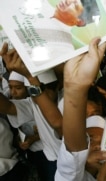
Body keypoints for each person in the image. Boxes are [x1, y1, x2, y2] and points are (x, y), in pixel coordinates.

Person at [55, 37, 106, 181]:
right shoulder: (71, 175)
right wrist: (76, 88)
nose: (97, 146)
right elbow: (73, 156)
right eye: (90, 139)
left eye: (105, 139)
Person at [0, 43, 63, 181]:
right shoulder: (33, 102)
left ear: (58, 85)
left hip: (72, 164)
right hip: (49, 160)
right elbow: (8, 107)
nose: (41, 96)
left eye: (45, 88)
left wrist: (30, 77)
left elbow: (58, 124)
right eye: (34, 91)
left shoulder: (69, 102)